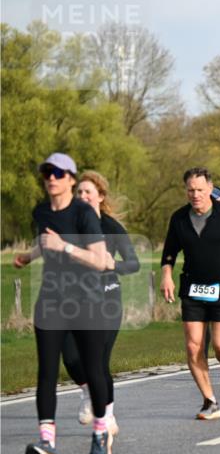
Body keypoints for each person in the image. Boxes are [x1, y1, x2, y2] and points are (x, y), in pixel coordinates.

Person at [15, 153, 113, 454]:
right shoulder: (41, 211)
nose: (51, 178)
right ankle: (48, 442)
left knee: (94, 371)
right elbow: (47, 242)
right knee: (47, 372)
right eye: (46, 172)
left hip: (87, 301)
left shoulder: (84, 214)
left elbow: (99, 261)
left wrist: (66, 247)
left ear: (71, 178)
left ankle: (100, 433)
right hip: (51, 301)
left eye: (58, 173)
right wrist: (28, 257)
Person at [161, 167, 220, 420]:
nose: (195, 195)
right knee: (194, 347)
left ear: (209, 189)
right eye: (190, 190)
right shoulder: (179, 218)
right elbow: (170, 250)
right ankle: (209, 401)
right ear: (186, 191)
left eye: (200, 190)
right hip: (192, 288)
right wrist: (166, 275)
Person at [60, 171, 140, 436]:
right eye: (78, 192)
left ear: (100, 196)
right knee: (70, 356)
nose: (82, 197)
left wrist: (112, 264)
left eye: (87, 192)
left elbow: (132, 263)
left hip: (106, 302)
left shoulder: (110, 227)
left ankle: (108, 416)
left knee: (98, 362)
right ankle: (86, 392)